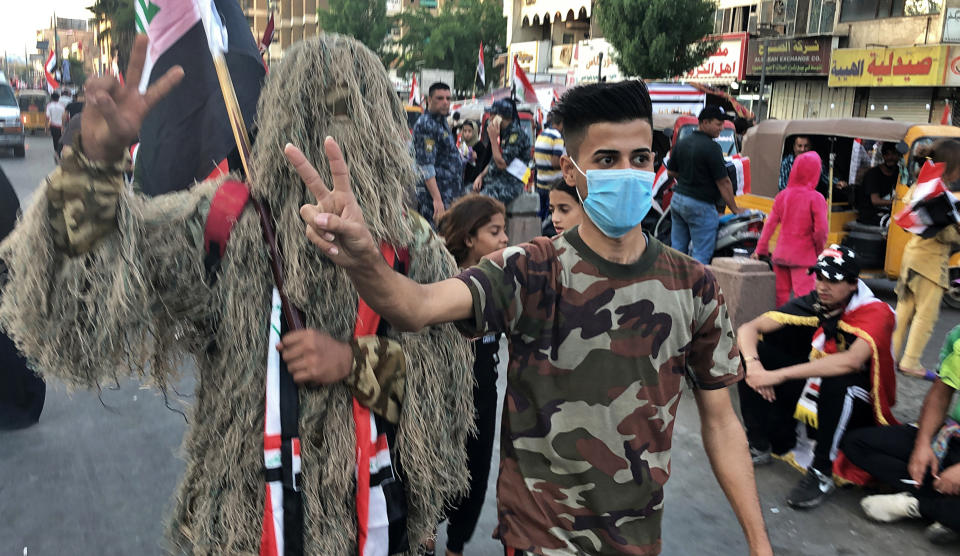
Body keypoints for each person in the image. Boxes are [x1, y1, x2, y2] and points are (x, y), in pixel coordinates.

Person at [0, 35, 474, 554]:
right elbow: (83, 312)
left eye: (348, 110)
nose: (334, 130)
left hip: (379, 526)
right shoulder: (225, 221)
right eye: (314, 112)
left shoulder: (414, 246)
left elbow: (447, 389)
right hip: (244, 527)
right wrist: (94, 167)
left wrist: (353, 362)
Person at [292, 79, 773, 556]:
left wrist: (758, 541)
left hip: (637, 541)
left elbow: (721, 420)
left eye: (640, 159)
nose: (628, 173)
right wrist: (362, 258)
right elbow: (414, 306)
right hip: (538, 541)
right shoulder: (530, 269)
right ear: (570, 169)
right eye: (606, 160)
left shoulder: (693, 285)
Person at [740, 245, 898, 509]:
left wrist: (777, 376)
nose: (823, 286)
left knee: (839, 382)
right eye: (820, 278)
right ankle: (759, 444)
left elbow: (851, 362)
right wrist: (755, 367)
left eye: (833, 280)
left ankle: (822, 471)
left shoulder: (876, 312)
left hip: (860, 401)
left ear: (852, 284)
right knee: (750, 356)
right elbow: (749, 327)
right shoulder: (817, 301)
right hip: (816, 386)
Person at [434, 194, 508, 556]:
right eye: (495, 231)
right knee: (433, 471)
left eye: (505, 231)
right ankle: (424, 538)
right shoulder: (438, 280)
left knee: (475, 478)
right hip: (441, 399)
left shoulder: (501, 283)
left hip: (484, 398)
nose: (505, 239)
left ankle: (456, 547)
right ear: (468, 238)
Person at [843, 325, 960, 546]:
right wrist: (923, 445)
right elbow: (940, 395)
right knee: (857, 444)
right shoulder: (959, 336)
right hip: (953, 439)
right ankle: (947, 507)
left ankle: (919, 505)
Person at [893, 139, 960, 378]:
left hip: (912, 259)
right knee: (926, 315)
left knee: (904, 311)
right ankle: (911, 361)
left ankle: (890, 355)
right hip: (930, 264)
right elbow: (944, 233)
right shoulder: (939, 196)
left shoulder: (922, 187)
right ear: (952, 166)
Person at [667, 105, 743, 264]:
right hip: (700, 206)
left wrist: (689, 178)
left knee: (677, 251)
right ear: (705, 122)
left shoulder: (682, 143)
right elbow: (724, 182)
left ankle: (676, 286)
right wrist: (735, 209)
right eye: (718, 124)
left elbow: (671, 173)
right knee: (700, 256)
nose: (721, 128)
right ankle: (696, 288)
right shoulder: (712, 148)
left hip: (678, 200)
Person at [754, 151, 829, 306]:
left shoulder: (782, 195)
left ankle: (780, 329)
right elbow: (821, 230)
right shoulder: (816, 198)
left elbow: (769, 225)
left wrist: (761, 249)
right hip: (804, 257)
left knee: (780, 299)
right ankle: (800, 330)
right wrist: (819, 251)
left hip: (781, 255)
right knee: (805, 300)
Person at [414, 82, 465, 223]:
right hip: (437, 195)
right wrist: (437, 199)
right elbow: (425, 165)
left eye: (448, 98)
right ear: (429, 100)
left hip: (450, 191)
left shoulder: (441, 121)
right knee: (436, 236)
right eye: (440, 98)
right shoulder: (426, 124)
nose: (445, 102)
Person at [475, 99, 532, 207]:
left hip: (510, 184)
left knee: (479, 204)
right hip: (496, 181)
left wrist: (492, 139)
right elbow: (493, 160)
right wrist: (481, 176)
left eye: (492, 115)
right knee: (466, 195)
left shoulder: (516, 135)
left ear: (499, 117)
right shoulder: (504, 134)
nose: (489, 118)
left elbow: (501, 164)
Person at [779, 135, 846, 196]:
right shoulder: (786, 162)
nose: (803, 149)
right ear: (794, 147)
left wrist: (837, 183)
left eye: (806, 146)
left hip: (809, 199)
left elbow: (825, 176)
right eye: (799, 146)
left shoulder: (815, 161)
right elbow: (783, 187)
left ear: (810, 147)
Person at [858, 142, 899, 225]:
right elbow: (875, 201)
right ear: (883, 156)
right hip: (871, 214)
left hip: (889, 211)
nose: (890, 157)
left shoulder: (899, 173)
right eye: (887, 154)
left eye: (893, 154)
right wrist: (897, 202)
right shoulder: (873, 174)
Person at [534, 111, 564, 220]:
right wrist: (568, 165)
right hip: (552, 184)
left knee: (542, 217)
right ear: (562, 123)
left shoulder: (542, 134)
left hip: (541, 183)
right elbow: (555, 163)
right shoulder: (557, 137)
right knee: (550, 219)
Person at [460, 120, 490, 189]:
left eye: (470, 131)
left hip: (474, 180)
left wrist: (476, 158)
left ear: (475, 131)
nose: (467, 134)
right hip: (464, 179)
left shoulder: (479, 146)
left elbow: (484, 163)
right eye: (465, 131)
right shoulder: (463, 145)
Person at [45, 91, 65, 159]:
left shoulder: (49, 105)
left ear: (51, 98)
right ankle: (58, 152)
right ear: (58, 98)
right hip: (61, 126)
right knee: (61, 139)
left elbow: (47, 117)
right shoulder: (62, 106)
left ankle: (56, 151)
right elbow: (65, 117)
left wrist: (46, 128)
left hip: (53, 125)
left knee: (55, 139)